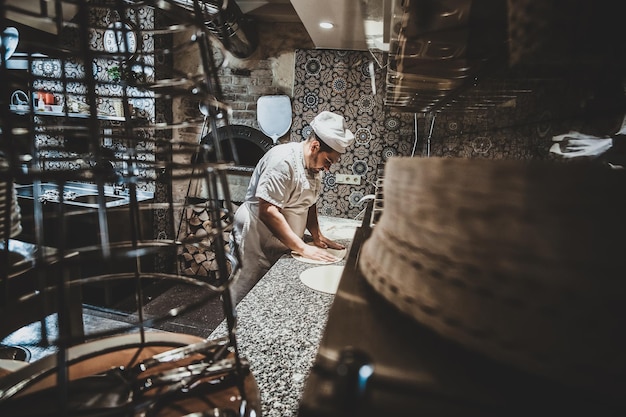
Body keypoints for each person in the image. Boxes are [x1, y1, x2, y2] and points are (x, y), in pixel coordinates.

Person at [230, 110, 355, 291]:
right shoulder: (282, 161)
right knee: (245, 289)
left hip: (283, 241)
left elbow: (309, 202)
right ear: (314, 146)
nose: (328, 168)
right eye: (328, 161)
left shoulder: (313, 166)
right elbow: (268, 211)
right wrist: (303, 248)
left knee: (270, 292)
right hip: (255, 237)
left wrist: (316, 234)